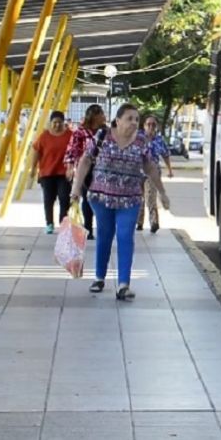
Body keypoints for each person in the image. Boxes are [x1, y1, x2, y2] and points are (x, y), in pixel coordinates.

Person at [70, 103, 169, 301]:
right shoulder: (102, 136)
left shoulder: (141, 141)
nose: (134, 123)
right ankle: (99, 277)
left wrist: (162, 193)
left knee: (125, 236)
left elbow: (150, 167)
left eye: (136, 119)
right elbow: (85, 161)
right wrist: (75, 189)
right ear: (118, 120)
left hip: (130, 199)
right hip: (102, 197)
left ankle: (124, 284)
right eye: (129, 118)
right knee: (104, 236)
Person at [64, 105, 107, 240]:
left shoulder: (107, 132)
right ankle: (88, 227)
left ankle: (102, 225)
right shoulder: (80, 132)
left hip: (103, 169)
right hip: (85, 169)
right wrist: (71, 167)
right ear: (95, 116)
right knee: (87, 198)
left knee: (101, 199)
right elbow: (72, 150)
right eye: (101, 114)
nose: (104, 117)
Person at [31, 111, 73, 234]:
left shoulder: (70, 136)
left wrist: (73, 168)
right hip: (47, 173)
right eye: (54, 122)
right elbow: (36, 152)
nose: (57, 125)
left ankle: (63, 222)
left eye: (60, 122)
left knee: (64, 198)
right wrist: (33, 169)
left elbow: (76, 151)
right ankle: (49, 223)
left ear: (64, 123)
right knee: (48, 199)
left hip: (64, 173)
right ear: (50, 123)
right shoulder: (44, 136)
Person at [137, 115, 173, 233]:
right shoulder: (138, 138)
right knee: (138, 198)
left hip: (153, 174)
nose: (151, 127)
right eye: (149, 124)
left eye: (153, 124)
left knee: (150, 197)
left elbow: (166, 155)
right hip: (137, 172)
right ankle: (139, 223)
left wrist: (170, 170)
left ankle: (154, 222)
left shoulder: (159, 140)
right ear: (144, 126)